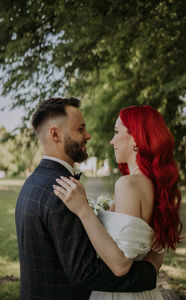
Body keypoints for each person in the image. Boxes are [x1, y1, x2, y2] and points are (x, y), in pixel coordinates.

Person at [15, 98, 162, 300]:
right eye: (81, 129)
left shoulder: (33, 182)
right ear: (55, 134)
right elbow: (85, 273)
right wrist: (149, 273)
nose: (88, 135)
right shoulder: (63, 192)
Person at [53, 105, 183, 300]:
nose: (112, 141)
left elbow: (120, 265)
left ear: (136, 139)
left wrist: (83, 210)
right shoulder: (159, 186)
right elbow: (156, 259)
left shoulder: (128, 184)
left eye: (116, 132)